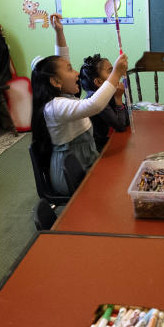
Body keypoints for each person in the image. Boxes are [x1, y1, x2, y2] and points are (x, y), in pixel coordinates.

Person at [31, 16, 128, 195]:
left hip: (86, 160)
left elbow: (61, 58)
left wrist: (59, 32)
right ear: (56, 82)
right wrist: (115, 74)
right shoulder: (54, 107)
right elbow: (93, 105)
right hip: (69, 174)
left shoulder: (63, 95)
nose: (76, 73)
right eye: (70, 69)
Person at [79, 53, 129, 152]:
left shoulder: (110, 94)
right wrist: (118, 98)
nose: (116, 75)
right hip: (97, 150)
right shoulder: (96, 99)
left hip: (108, 141)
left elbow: (127, 121)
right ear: (98, 82)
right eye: (111, 71)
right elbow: (121, 126)